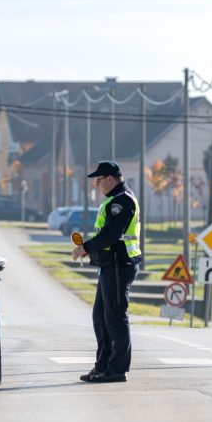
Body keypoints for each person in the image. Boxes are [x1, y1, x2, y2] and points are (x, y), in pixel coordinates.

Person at [72, 160, 142, 383]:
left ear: (110, 179)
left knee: (115, 317)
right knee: (101, 318)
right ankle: (102, 365)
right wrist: (90, 250)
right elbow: (106, 234)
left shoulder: (122, 202)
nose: (96, 184)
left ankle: (117, 370)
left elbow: (111, 235)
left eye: (98, 180)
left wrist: (85, 247)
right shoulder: (113, 200)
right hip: (109, 264)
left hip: (120, 265)